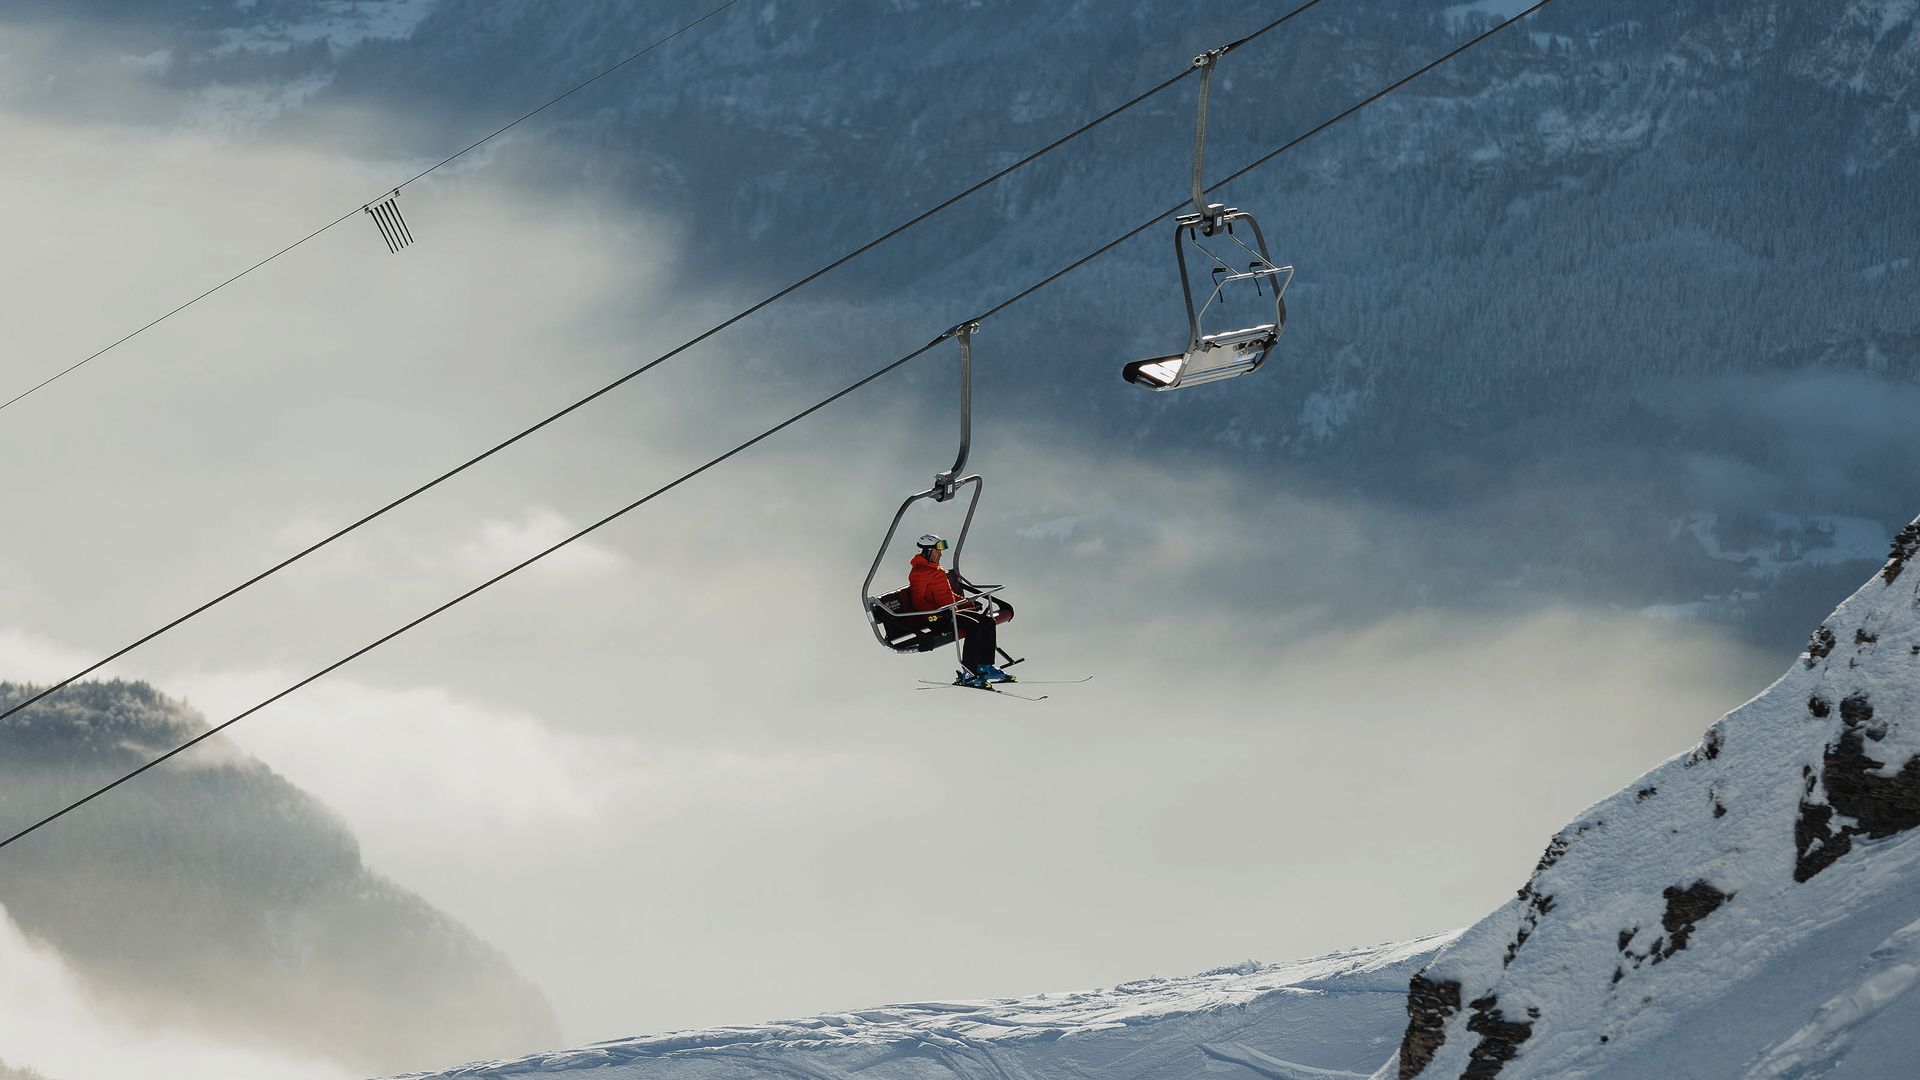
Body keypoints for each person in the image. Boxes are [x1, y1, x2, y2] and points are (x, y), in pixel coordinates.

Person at [908, 533, 1012, 686]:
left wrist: (967, 604)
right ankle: (969, 672)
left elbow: (949, 596)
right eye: (938, 551)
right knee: (975, 626)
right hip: (937, 618)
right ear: (928, 551)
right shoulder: (919, 573)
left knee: (987, 621)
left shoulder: (936, 569)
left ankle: (985, 666)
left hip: (950, 612)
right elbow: (918, 601)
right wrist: (938, 611)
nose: (941, 554)